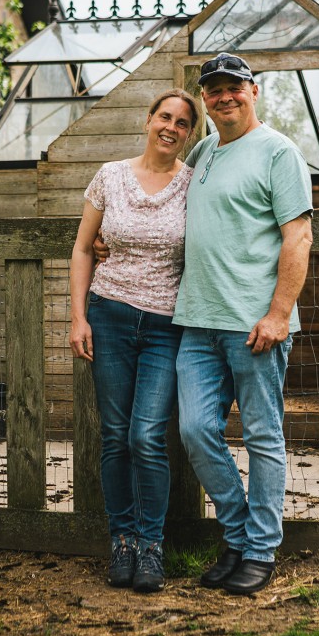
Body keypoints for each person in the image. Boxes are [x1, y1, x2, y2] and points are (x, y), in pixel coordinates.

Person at [174, 52, 313, 596]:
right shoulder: (205, 150)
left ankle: (259, 550)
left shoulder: (279, 151)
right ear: (204, 98)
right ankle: (237, 535)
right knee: (194, 429)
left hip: (255, 324)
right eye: (213, 90)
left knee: (262, 436)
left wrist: (279, 313)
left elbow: (298, 236)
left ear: (254, 91)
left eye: (234, 87)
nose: (223, 97)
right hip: (196, 320)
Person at [69, 88, 199, 593]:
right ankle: (120, 539)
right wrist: (78, 317)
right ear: (148, 121)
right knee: (115, 435)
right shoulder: (109, 176)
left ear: (190, 134)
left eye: (182, 122)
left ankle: (150, 544)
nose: (171, 127)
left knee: (147, 436)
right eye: (164, 117)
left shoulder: (193, 184)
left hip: (166, 324)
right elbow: (83, 248)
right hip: (110, 316)